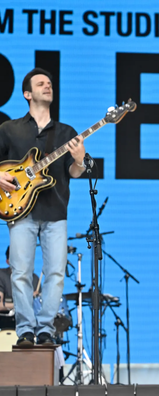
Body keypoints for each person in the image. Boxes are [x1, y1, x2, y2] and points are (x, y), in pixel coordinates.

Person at [0, 68, 86, 346]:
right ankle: (25, 329)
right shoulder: (9, 129)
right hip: (20, 210)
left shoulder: (66, 132)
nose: (48, 86)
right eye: (41, 84)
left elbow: (74, 172)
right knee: (21, 273)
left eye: (49, 83)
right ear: (27, 94)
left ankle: (46, 329)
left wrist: (79, 160)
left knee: (56, 273)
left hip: (55, 211)